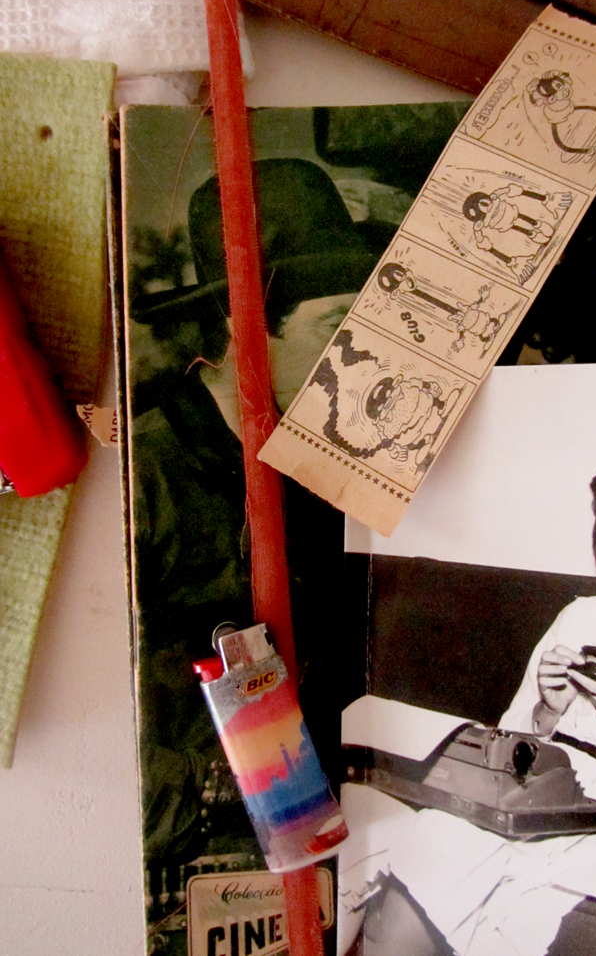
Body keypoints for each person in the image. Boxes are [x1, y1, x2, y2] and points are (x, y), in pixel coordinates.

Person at [340, 450, 596, 956]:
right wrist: (549, 712)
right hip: (542, 797)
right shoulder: (582, 617)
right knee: (435, 835)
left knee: (456, 852)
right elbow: (509, 746)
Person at [129, 158, 384, 870]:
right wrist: (218, 794)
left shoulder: (333, 458)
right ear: (245, 328)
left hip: (343, 843)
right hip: (199, 860)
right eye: (334, 327)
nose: (358, 357)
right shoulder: (147, 476)